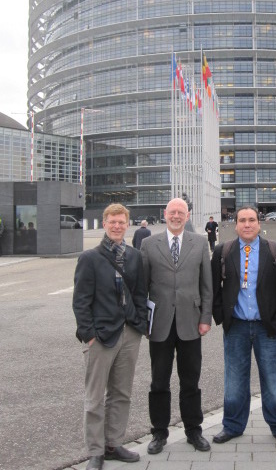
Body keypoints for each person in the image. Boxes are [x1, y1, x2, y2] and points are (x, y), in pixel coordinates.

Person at [72, 203, 148, 470]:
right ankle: (95, 451)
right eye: (112, 222)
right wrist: (89, 335)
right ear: (104, 224)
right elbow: (81, 301)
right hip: (101, 336)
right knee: (94, 398)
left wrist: (140, 324)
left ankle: (113, 443)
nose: (117, 226)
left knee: (121, 393)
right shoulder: (90, 258)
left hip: (129, 334)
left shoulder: (134, 256)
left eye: (121, 222)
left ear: (128, 224)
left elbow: (140, 293)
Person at [211, 205, 276, 447]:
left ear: (259, 223)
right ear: (235, 224)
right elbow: (215, 288)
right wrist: (221, 317)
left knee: (274, 379)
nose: (247, 224)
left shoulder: (275, 251)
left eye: (251, 220)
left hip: (266, 326)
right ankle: (233, 426)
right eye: (242, 220)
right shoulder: (222, 251)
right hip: (236, 326)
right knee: (234, 380)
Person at [141, 197, 213, 453]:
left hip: (191, 324)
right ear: (165, 214)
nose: (176, 216)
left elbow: (207, 286)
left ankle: (194, 430)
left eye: (181, 212)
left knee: (190, 381)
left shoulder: (200, 243)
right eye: (172, 212)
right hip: (159, 324)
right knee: (159, 382)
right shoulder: (148, 244)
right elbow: (143, 287)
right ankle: (159, 433)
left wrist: (205, 318)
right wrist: (144, 322)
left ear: (187, 215)